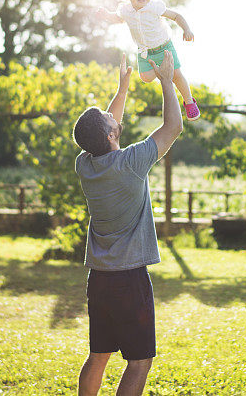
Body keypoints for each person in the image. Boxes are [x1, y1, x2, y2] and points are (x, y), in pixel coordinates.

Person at [72, 51, 183, 396]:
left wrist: (122, 89)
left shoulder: (85, 165)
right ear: (110, 136)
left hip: (99, 280)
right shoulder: (131, 162)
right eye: (108, 119)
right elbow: (173, 127)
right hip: (130, 280)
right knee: (138, 362)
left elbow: (104, 132)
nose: (112, 115)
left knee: (99, 355)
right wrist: (167, 80)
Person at [96, 0, 200, 122]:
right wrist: (106, 15)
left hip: (165, 48)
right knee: (145, 77)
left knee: (177, 74)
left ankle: (189, 102)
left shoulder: (155, 7)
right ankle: (164, 73)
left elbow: (176, 16)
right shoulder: (125, 10)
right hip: (145, 52)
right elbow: (117, 19)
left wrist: (187, 29)